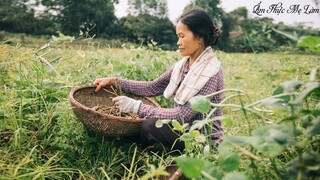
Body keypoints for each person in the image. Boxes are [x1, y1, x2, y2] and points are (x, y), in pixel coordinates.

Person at [93, 8, 224, 153]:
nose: (178, 42)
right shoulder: (182, 66)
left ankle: (174, 162)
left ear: (200, 37)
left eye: (182, 36)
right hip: (185, 131)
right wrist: (115, 81)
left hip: (203, 141)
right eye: (177, 37)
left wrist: (137, 107)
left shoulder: (210, 72)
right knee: (141, 127)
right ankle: (160, 155)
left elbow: (182, 116)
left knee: (149, 126)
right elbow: (152, 87)